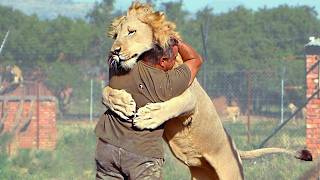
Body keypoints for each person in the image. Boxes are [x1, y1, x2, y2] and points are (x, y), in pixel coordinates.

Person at [95, 38, 203, 180]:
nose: (175, 61)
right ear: (163, 61)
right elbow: (195, 60)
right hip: (142, 155)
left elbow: (117, 46)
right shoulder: (167, 84)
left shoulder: (119, 68)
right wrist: (178, 41)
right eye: (174, 58)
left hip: (107, 148)